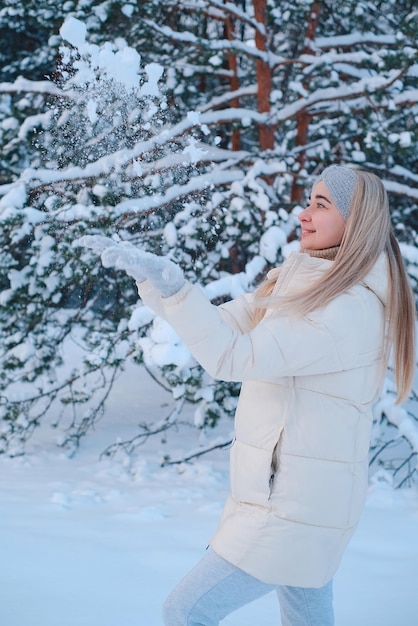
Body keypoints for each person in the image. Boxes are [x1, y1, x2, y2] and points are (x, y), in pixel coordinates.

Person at [78, 165, 416, 626]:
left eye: (321, 205)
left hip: (291, 510)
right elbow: (221, 325)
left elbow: (232, 358)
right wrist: (155, 282)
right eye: (307, 201)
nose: (303, 214)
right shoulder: (305, 281)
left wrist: (177, 289)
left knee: (185, 611)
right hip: (302, 502)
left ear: (356, 221)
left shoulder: (348, 308)